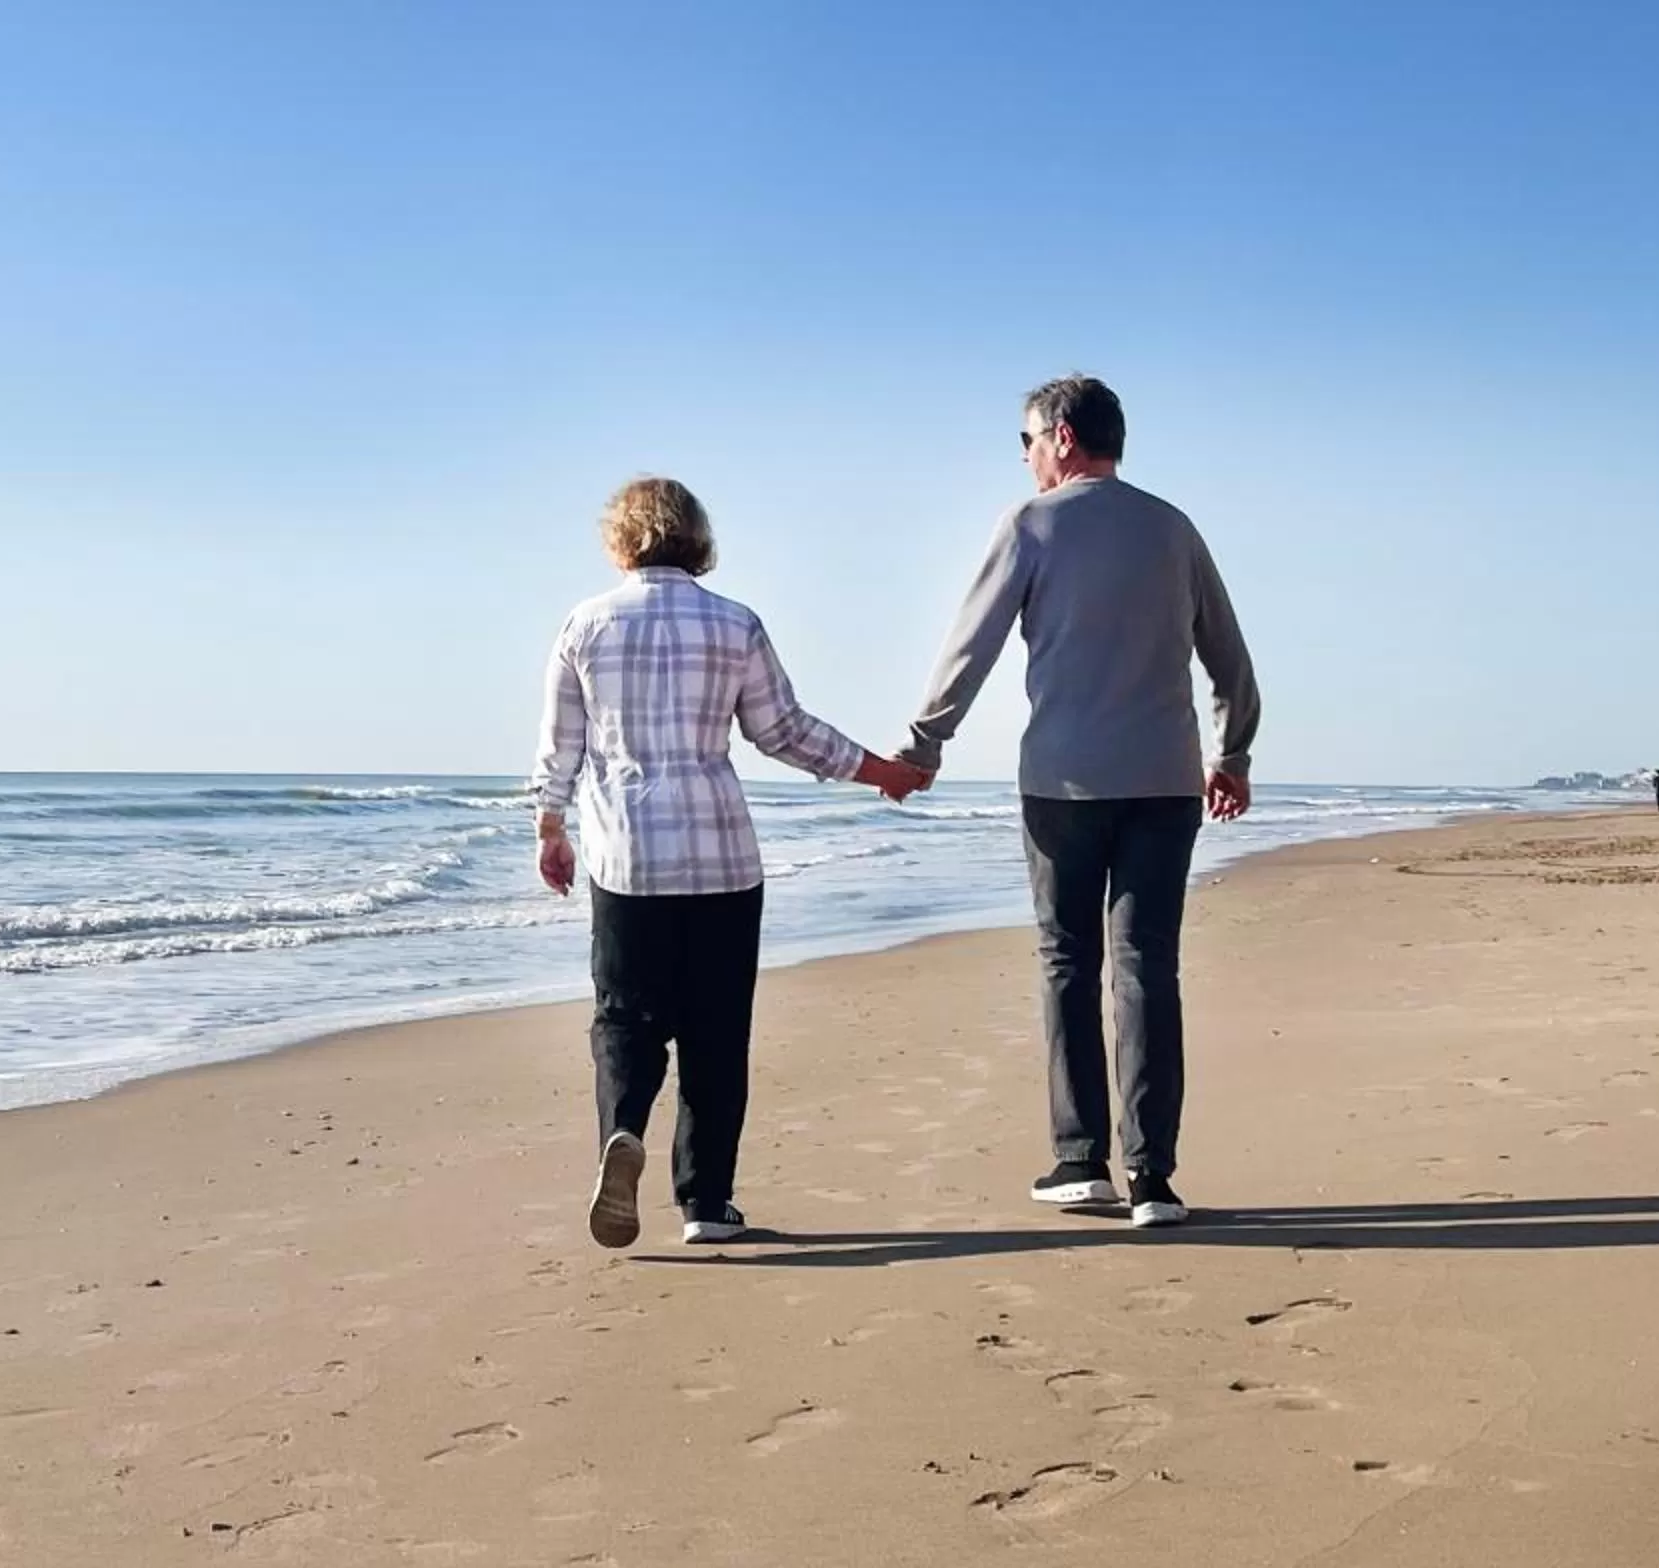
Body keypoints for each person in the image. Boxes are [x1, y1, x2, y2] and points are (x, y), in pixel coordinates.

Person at [894, 375, 1261, 1230]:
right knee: (1147, 968)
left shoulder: (1032, 525)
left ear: (1060, 436)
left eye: (1025, 442)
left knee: (1068, 961)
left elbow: (970, 644)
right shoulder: (1173, 528)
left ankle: (1078, 1160)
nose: (1023, 459)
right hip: (1167, 782)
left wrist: (923, 748)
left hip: (1062, 783)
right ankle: (1153, 1178)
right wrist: (1231, 753)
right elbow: (1231, 660)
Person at [534, 476, 928, 1249]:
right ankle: (707, 1204)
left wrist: (550, 826)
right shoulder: (734, 623)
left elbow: (561, 748)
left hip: (628, 860)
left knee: (625, 1016)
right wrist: (879, 770)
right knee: (718, 1031)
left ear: (620, 539)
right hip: (721, 856)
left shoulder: (584, 625)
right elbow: (782, 730)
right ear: (697, 538)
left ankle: (622, 1130)